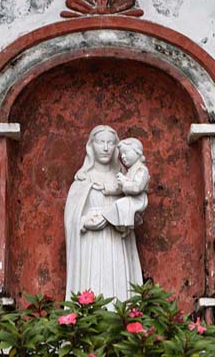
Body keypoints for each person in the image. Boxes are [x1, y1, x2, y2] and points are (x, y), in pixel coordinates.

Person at [64, 126, 143, 303]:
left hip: (117, 240)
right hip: (91, 243)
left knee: (117, 284)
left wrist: (125, 216)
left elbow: (135, 208)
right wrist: (84, 222)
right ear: (92, 146)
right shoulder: (83, 178)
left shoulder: (124, 178)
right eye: (101, 143)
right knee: (93, 280)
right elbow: (71, 217)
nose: (106, 148)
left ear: (117, 147)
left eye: (111, 143)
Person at [102, 138, 149, 238]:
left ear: (137, 152)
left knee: (119, 204)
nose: (123, 157)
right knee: (121, 205)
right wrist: (108, 190)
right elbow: (120, 189)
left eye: (126, 153)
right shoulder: (129, 171)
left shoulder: (142, 170)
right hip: (130, 199)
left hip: (138, 200)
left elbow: (137, 188)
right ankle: (125, 226)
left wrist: (124, 182)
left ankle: (126, 226)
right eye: (121, 155)